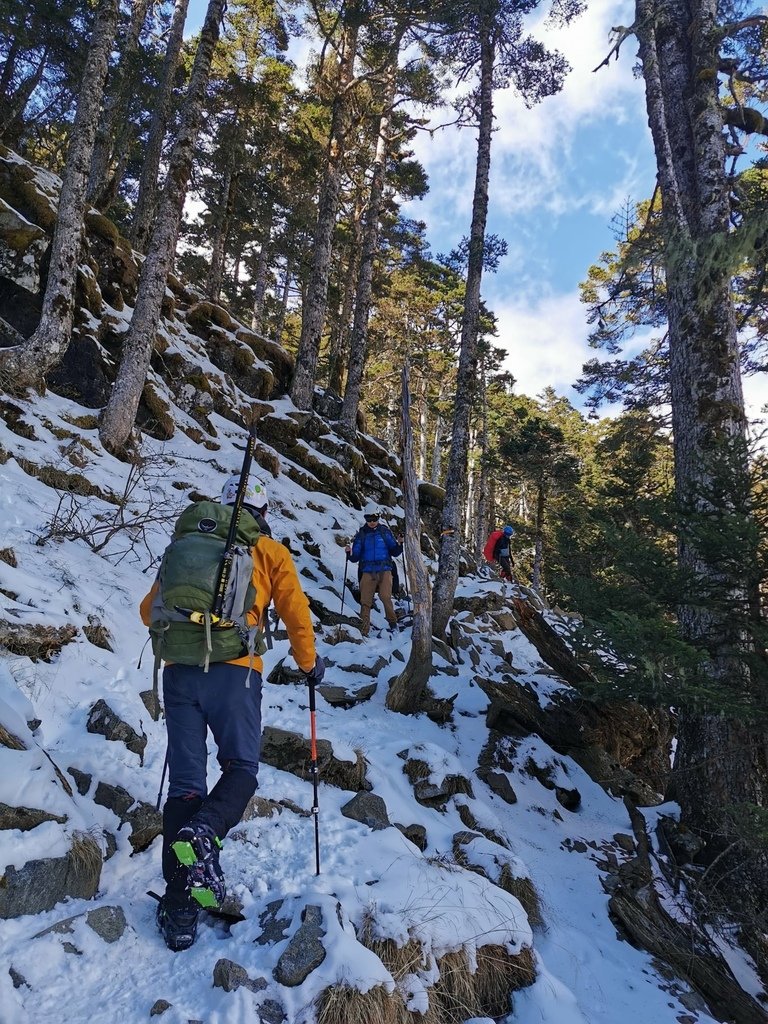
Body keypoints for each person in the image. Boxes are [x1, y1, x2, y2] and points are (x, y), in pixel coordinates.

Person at [140, 474, 324, 952]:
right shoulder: (267, 550)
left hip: (179, 671)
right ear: (262, 513)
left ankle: (179, 908)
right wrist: (309, 664)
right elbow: (296, 611)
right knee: (241, 769)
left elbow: (148, 611)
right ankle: (205, 834)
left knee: (185, 782)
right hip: (235, 673)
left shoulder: (188, 541)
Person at [345, 501, 403, 637]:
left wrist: (400, 544)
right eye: (368, 519)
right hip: (367, 571)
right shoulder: (362, 535)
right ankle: (364, 629)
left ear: (378, 517)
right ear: (365, 518)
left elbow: (394, 551)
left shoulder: (384, 532)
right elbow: (356, 557)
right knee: (365, 601)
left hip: (385, 569)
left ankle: (393, 624)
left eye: (374, 518)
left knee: (385, 597)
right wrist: (349, 553)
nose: (372, 522)